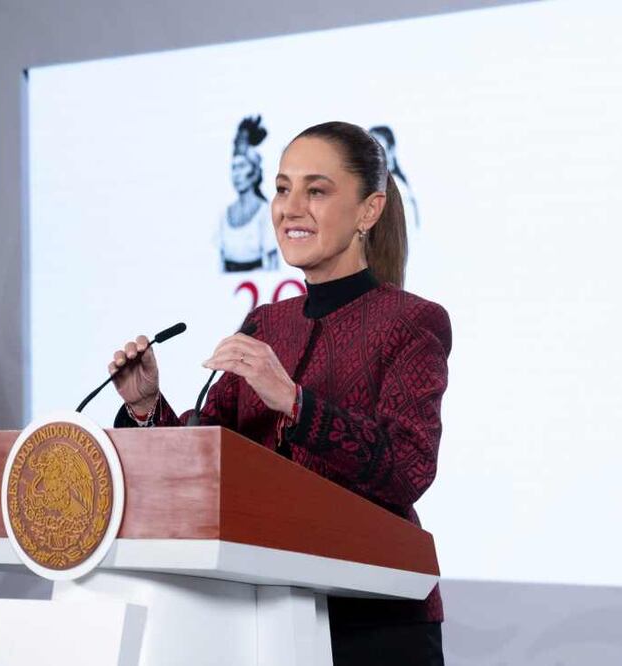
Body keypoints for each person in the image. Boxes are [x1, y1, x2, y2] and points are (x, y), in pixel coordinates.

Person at [109, 121, 450, 665]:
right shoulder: (266, 324)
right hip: (259, 620)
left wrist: (295, 402)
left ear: (369, 211)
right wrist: (147, 406)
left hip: (372, 622)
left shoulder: (413, 322)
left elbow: (409, 466)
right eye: (283, 189)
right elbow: (206, 458)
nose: (291, 208)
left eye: (316, 190)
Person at [219, 115, 279, 272]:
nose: (236, 174)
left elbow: (273, 263)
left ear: (254, 171)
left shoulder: (265, 212)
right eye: (234, 167)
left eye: (242, 166)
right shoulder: (225, 213)